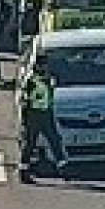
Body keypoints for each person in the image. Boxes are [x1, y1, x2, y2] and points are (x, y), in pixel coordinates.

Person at [17, 53, 67, 183]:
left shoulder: (48, 79)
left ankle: (63, 167)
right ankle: (23, 170)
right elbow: (24, 99)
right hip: (33, 114)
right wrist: (25, 118)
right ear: (37, 66)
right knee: (30, 144)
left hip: (46, 113)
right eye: (42, 65)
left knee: (54, 139)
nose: (45, 67)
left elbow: (49, 96)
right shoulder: (31, 80)